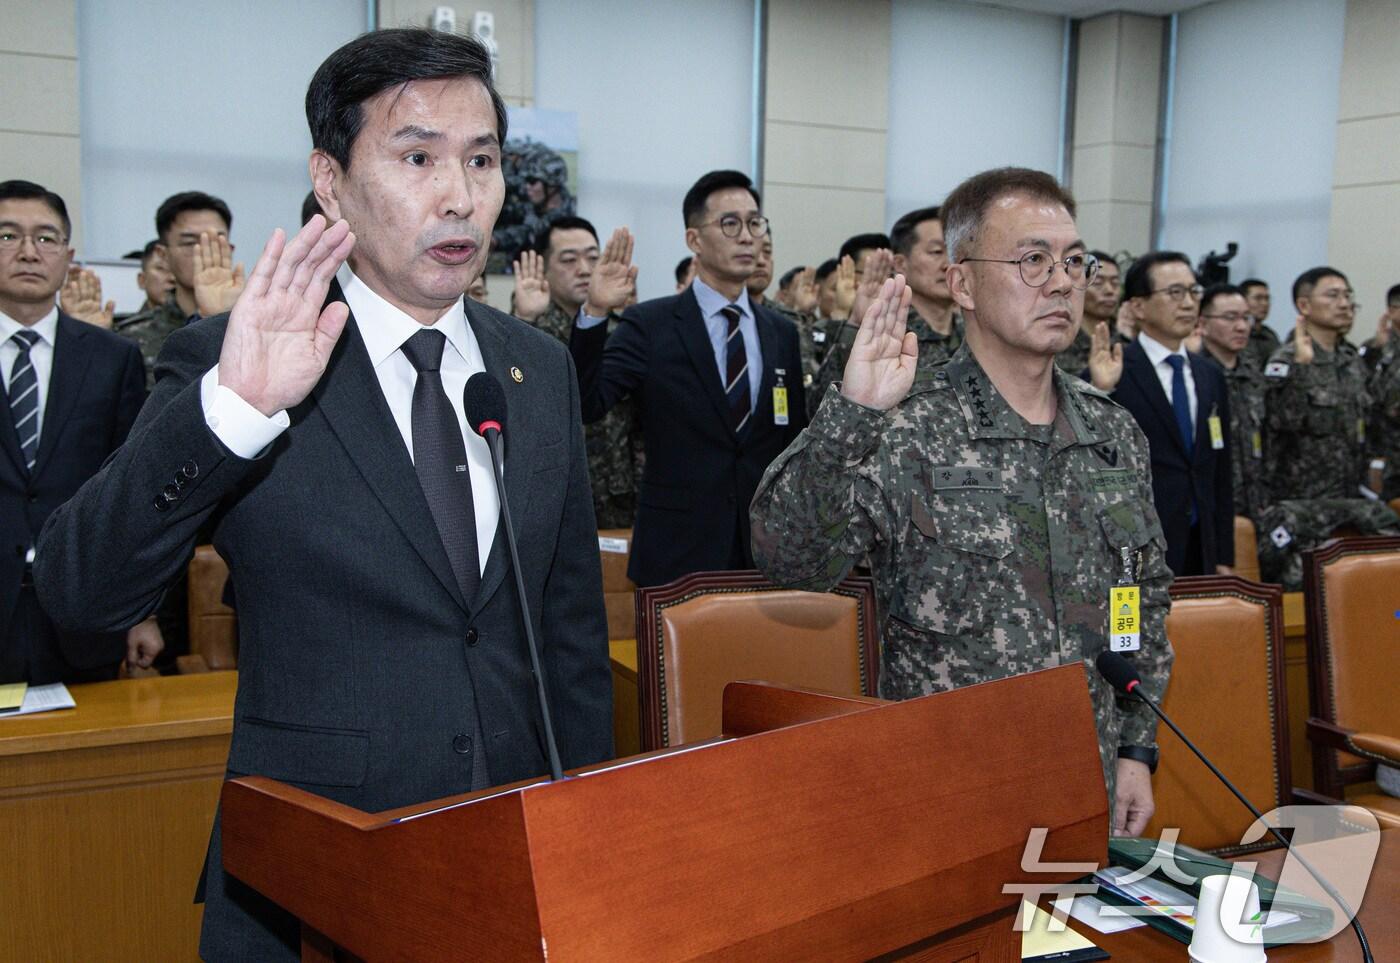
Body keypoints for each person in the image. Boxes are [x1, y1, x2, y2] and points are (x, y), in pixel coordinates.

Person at [35, 29, 612, 961]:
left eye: (481, 159)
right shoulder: (241, 358)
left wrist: (591, 833)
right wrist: (235, 410)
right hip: (306, 883)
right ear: (331, 180)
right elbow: (78, 590)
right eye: (416, 157)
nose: (459, 194)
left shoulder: (535, 370)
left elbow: (570, 635)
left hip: (509, 867)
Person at [751, 166, 1172, 835]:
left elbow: (1137, 601)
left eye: (1073, 261)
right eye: (1032, 259)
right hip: (945, 794)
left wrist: (1134, 747)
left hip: (1083, 780)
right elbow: (792, 560)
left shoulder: (1112, 433)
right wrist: (851, 413)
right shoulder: (907, 423)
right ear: (963, 282)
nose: (1062, 280)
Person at [569, 169, 808, 587]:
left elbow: (791, 440)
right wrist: (595, 313)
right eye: (730, 224)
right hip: (678, 549)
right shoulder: (651, 324)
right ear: (694, 241)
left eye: (755, 222)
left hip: (764, 552)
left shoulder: (781, 332)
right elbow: (587, 402)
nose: (748, 236)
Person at [0, 180, 155, 684]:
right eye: (8, 236)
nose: (28, 252)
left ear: (68, 256)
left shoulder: (113, 359)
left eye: (46, 238)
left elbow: (132, 490)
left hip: (79, 610)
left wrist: (140, 611)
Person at [1092, 252, 1234, 577]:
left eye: (1193, 292)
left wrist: (1223, 553)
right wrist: (1101, 390)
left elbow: (1221, 470)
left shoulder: (1209, 374)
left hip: (1200, 543)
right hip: (1134, 545)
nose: (1188, 303)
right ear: (1138, 306)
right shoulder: (1112, 371)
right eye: (1174, 293)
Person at [514, 215, 643, 528]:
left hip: (618, 499)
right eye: (569, 260)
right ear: (543, 267)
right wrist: (523, 320)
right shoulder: (524, 331)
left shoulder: (622, 332)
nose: (584, 269)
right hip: (549, 502)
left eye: (592, 258)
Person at [815, 208, 963, 408]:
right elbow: (820, 409)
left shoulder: (977, 334)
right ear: (900, 263)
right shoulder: (887, 331)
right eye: (936, 252)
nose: (948, 264)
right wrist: (856, 325)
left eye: (955, 252)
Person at [1263, 267, 1369, 500]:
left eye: (1347, 295)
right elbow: (1280, 422)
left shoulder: (1351, 360)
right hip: (1302, 501)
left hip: (1349, 495)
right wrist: (1302, 367)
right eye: (1332, 295)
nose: (1343, 304)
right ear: (1304, 306)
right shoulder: (1286, 360)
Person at [115, 191, 238, 386]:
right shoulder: (130, 338)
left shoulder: (253, 328)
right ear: (163, 254)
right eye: (190, 243)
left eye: (216, 242)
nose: (203, 251)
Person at [1197, 283, 1268, 520]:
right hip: (1210, 503)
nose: (1241, 327)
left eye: (1245, 318)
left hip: (1255, 501)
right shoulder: (1194, 375)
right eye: (1230, 318)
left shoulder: (1253, 374)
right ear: (1202, 324)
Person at [1057, 249, 1118, 375]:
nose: (1109, 290)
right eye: (1098, 282)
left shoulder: (1126, 345)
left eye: (1115, 283)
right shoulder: (1060, 342)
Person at [1238, 278, 1281, 368]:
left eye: (1267, 298)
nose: (1264, 303)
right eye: (1258, 298)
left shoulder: (1270, 335)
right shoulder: (1236, 333)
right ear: (1242, 301)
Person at [135, 239, 176, 312]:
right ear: (142, 280)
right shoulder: (128, 323)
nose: (172, 278)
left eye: (177, 270)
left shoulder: (199, 320)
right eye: (162, 269)